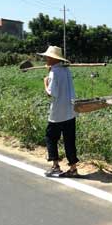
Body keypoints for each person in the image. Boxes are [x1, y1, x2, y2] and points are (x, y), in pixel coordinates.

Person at [39, 46, 79, 177]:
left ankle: (55, 166)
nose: (46, 58)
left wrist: (45, 83)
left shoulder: (53, 73)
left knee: (51, 137)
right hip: (70, 111)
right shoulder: (66, 70)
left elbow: (52, 94)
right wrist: (51, 71)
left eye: (48, 57)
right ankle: (73, 168)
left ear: (52, 58)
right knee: (69, 140)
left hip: (57, 113)